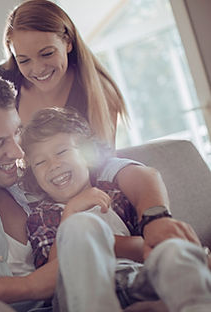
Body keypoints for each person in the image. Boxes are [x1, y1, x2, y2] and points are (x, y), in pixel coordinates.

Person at [0, 68, 202, 312]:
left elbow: (124, 170)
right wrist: (31, 285)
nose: (17, 152)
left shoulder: (32, 170)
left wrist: (155, 217)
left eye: (16, 133)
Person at [20, 107, 211, 311]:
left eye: (61, 151)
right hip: (83, 291)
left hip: (139, 277)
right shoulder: (41, 216)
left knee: (174, 250)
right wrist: (70, 214)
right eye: (40, 162)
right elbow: (54, 276)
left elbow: (150, 245)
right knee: (80, 225)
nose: (53, 165)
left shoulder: (115, 194)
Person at [0, 0, 126, 147]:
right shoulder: (1, 81)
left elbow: (103, 164)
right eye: (24, 61)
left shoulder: (100, 93)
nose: (38, 69)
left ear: (68, 42)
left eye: (47, 53)